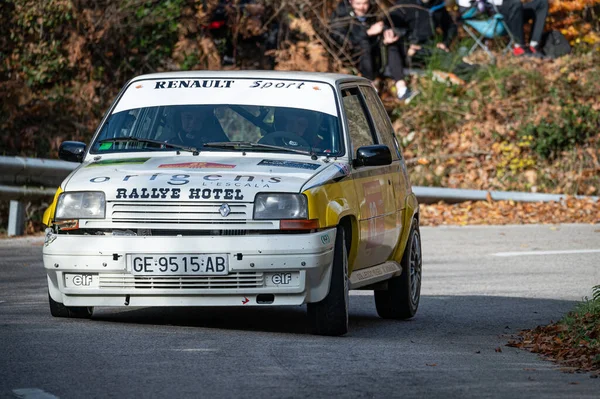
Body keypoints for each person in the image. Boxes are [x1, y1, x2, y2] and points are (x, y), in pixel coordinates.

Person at [330, 0, 414, 101]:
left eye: (365, 3)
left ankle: (401, 87)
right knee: (364, 44)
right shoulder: (341, 15)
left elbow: (397, 27)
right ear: (350, 2)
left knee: (391, 44)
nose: (362, 7)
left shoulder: (375, 11)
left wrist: (388, 34)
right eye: (358, 4)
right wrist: (367, 33)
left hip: (375, 53)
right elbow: (342, 40)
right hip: (354, 56)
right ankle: (370, 85)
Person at [392, 0, 480, 81]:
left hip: (431, 47)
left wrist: (445, 43)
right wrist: (406, 47)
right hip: (410, 52)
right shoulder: (403, 6)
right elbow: (391, 30)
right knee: (448, 61)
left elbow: (450, 26)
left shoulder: (437, 5)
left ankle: (475, 73)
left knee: (448, 59)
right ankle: (474, 73)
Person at [457, 0, 549, 56]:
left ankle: (533, 46)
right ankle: (519, 48)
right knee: (514, 3)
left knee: (541, 3)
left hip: (510, 14)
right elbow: (475, 8)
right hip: (494, 20)